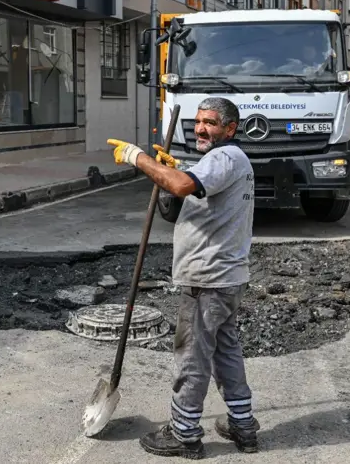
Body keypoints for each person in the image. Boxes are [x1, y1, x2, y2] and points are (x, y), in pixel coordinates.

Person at [107, 97, 258, 459]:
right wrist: (179, 167)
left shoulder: (225, 158)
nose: (201, 128)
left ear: (230, 129)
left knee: (192, 356)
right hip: (226, 277)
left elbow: (181, 187)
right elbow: (189, 188)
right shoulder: (226, 160)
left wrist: (137, 158)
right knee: (226, 352)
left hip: (208, 279)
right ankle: (242, 424)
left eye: (210, 123)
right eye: (198, 121)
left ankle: (185, 433)